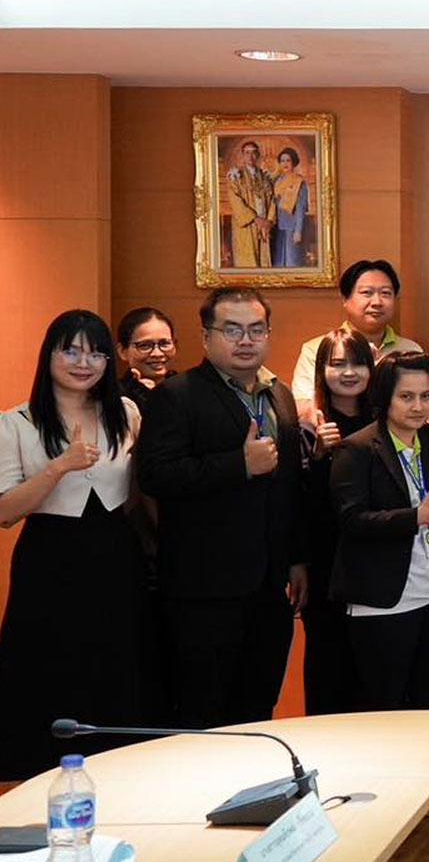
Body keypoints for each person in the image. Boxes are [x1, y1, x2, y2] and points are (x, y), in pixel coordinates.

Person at [136, 287, 307, 729]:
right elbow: (155, 476)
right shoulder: (177, 395)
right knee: (203, 713)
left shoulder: (279, 394)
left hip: (269, 586)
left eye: (256, 330)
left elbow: (288, 487)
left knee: (258, 710)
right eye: (232, 330)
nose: (245, 340)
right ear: (206, 336)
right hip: (203, 589)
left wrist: (295, 559)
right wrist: (239, 465)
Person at [0, 311, 149, 780]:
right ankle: (38, 778)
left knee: (117, 662)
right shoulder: (17, 422)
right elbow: (6, 512)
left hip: (117, 553)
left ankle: (118, 771)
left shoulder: (126, 412)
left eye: (97, 353)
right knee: (48, 666)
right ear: (49, 355)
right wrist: (58, 467)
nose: (84, 363)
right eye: (71, 350)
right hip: (50, 559)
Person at [330, 352, 429, 713]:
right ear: (385, 397)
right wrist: (416, 517)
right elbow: (352, 520)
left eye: (426, 396)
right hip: (381, 598)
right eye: (406, 397)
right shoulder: (356, 448)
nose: (418, 406)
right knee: (384, 705)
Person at [298, 329, 376, 716]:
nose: (348, 372)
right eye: (337, 364)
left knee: (372, 665)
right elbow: (300, 502)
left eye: (358, 363)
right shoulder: (307, 426)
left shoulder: (385, 420)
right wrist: (318, 456)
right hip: (326, 560)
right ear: (321, 371)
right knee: (327, 662)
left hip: (376, 557)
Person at [290, 259, 423, 422]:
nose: (377, 302)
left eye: (386, 293)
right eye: (367, 293)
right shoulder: (316, 349)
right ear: (345, 299)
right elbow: (302, 406)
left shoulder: (409, 350)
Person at [115, 306, 178, 413]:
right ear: (122, 351)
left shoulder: (186, 390)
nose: (157, 353)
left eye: (164, 344)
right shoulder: (114, 396)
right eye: (144, 345)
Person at [225, 140, 274, 269]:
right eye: (247, 153)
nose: (250, 156)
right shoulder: (235, 176)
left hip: (263, 225)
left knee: (264, 261)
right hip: (247, 225)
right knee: (248, 262)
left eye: (253, 152)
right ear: (242, 155)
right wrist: (255, 218)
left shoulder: (265, 177)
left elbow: (272, 200)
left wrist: (268, 221)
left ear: (258, 155)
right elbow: (235, 201)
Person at [271, 146, 309, 268]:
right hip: (277, 227)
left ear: (294, 162)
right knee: (278, 262)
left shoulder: (299, 182)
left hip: (292, 227)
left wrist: (298, 231)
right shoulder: (276, 181)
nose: (285, 164)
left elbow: (301, 208)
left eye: (288, 160)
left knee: (291, 262)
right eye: (282, 161)